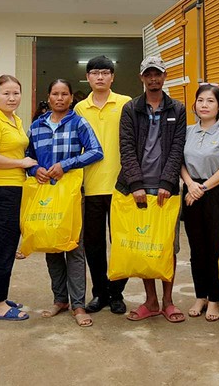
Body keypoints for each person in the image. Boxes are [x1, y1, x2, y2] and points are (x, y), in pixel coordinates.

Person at [27, 79, 103, 327]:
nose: (59, 98)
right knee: (51, 247)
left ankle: (78, 304)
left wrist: (66, 165)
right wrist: (35, 169)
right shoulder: (37, 126)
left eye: (64, 94)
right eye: (55, 94)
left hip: (71, 195)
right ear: (48, 97)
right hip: (45, 196)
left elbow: (96, 151)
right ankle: (59, 300)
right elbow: (27, 157)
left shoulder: (79, 122)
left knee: (74, 247)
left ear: (71, 98)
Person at [117, 56, 187, 323]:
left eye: (158, 74)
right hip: (137, 189)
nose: (154, 79)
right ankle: (151, 301)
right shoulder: (131, 108)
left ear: (165, 76)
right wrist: (135, 184)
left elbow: (177, 148)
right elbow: (126, 147)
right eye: (149, 74)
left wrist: (167, 183)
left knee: (167, 246)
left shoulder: (177, 109)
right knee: (144, 245)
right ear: (142, 78)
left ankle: (168, 301)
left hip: (166, 190)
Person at [73, 56, 131, 315]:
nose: (100, 77)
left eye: (105, 72)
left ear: (112, 77)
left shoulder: (126, 103)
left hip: (121, 186)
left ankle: (117, 293)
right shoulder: (79, 108)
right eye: (95, 73)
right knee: (94, 245)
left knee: (121, 243)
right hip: (91, 186)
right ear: (87, 78)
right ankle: (100, 293)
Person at [0, 75, 37, 321]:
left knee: (3, 246)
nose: (12, 98)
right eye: (6, 93)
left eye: (16, 93)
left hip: (14, 188)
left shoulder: (15, 119)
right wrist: (21, 163)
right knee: (2, 247)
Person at [181, 83, 219, 322]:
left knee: (215, 248)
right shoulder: (187, 131)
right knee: (197, 249)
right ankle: (200, 296)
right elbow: (179, 162)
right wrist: (190, 185)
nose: (204, 105)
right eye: (201, 100)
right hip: (191, 192)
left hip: (217, 194)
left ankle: (214, 299)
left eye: (210, 101)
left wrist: (202, 188)